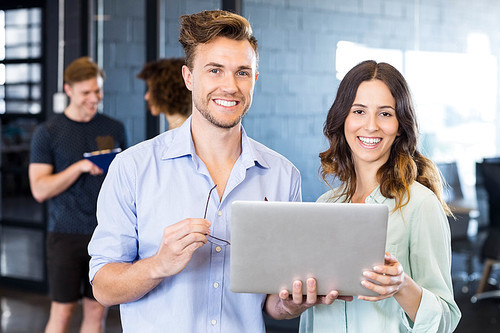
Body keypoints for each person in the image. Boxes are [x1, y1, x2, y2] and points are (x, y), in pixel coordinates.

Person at [88, 10, 330, 332]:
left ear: (254, 80)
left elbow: (273, 302)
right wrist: (158, 265)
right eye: (215, 70)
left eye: (242, 73)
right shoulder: (133, 168)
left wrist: (290, 303)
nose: (230, 86)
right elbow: (103, 288)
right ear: (189, 77)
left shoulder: (283, 176)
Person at [296, 60, 461, 332]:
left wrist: (401, 285)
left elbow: (446, 319)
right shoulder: (325, 206)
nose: (371, 126)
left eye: (385, 114)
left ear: (400, 125)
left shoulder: (419, 205)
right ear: (343, 119)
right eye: (359, 111)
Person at [29, 56, 126, 333]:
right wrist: (80, 167)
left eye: (98, 91)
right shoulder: (47, 132)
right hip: (65, 236)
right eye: (86, 93)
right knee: (62, 313)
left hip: (105, 235)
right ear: (68, 90)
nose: (94, 98)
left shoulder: (114, 128)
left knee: (97, 313)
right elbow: (39, 189)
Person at [137, 58, 192, 130]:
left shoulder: (184, 130)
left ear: (167, 92)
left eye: (151, 89)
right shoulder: (178, 127)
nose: (146, 97)